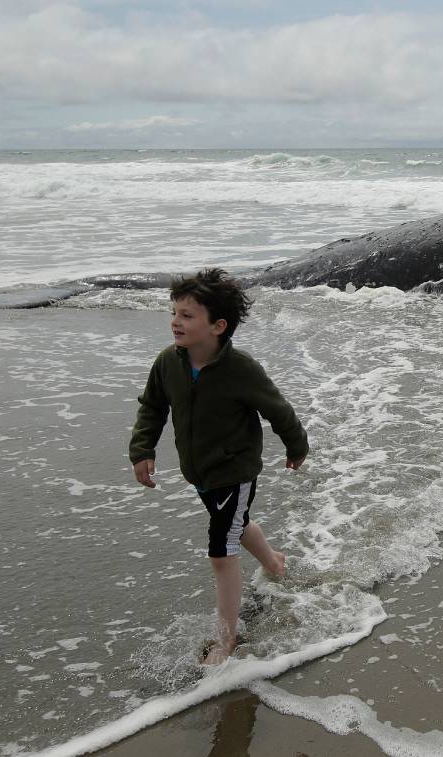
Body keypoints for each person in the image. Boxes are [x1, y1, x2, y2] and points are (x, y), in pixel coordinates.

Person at [128, 268, 308, 665]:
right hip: (200, 471)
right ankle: (274, 562)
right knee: (234, 524)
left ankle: (226, 639)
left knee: (221, 552)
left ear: (218, 326)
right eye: (174, 313)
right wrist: (142, 449)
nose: (175, 321)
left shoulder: (240, 369)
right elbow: (153, 406)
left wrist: (297, 446)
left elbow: (278, 410)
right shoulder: (168, 363)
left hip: (234, 470)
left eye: (187, 315)